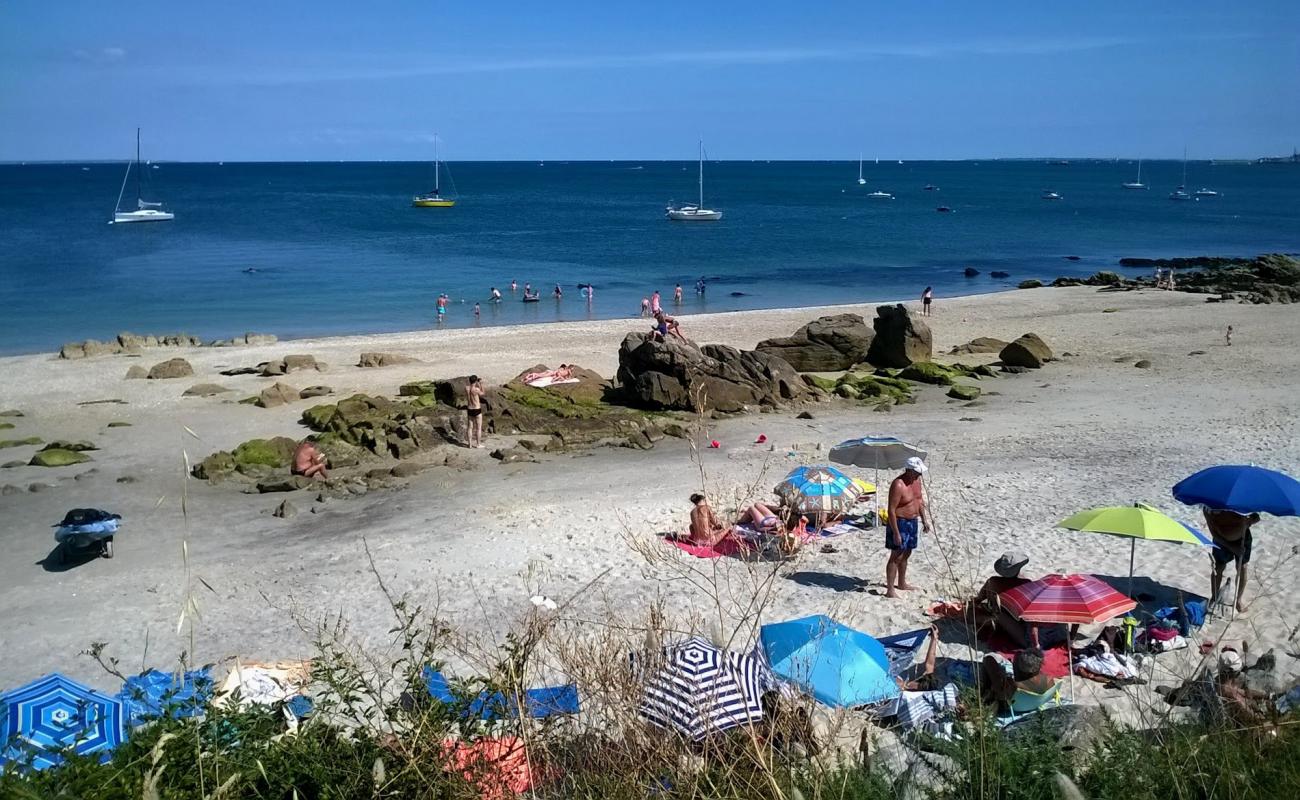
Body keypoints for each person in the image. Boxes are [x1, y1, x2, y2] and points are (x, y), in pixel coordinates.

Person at [884, 456, 930, 598]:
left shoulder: (917, 482)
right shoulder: (898, 484)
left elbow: (919, 500)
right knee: (896, 555)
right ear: (908, 470)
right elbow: (891, 510)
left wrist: (924, 519)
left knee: (907, 553)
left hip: (913, 521)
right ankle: (890, 590)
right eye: (917, 472)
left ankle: (902, 583)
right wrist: (896, 532)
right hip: (899, 522)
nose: (919, 475)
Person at [1205, 508, 1260, 612]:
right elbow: (1214, 534)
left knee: (1242, 568)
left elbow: (1257, 517)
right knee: (1218, 567)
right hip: (1221, 540)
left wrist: (1249, 522)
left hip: (1242, 537)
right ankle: (1214, 596)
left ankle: (1238, 600)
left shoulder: (1239, 504)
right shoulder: (1208, 509)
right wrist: (1232, 547)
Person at [979, 648, 1057, 714]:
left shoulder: (1015, 686)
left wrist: (1001, 679)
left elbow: (1001, 696)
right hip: (1034, 701)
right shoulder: (1049, 680)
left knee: (989, 659)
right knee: (1018, 654)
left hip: (1015, 706)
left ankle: (983, 690)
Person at [465, 375, 485, 448]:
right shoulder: (476, 389)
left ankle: (469, 444)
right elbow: (483, 393)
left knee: (470, 427)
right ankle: (478, 444)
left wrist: (477, 383)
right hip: (477, 409)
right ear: (475, 381)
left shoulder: (466, 388)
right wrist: (481, 384)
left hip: (470, 408)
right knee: (478, 428)